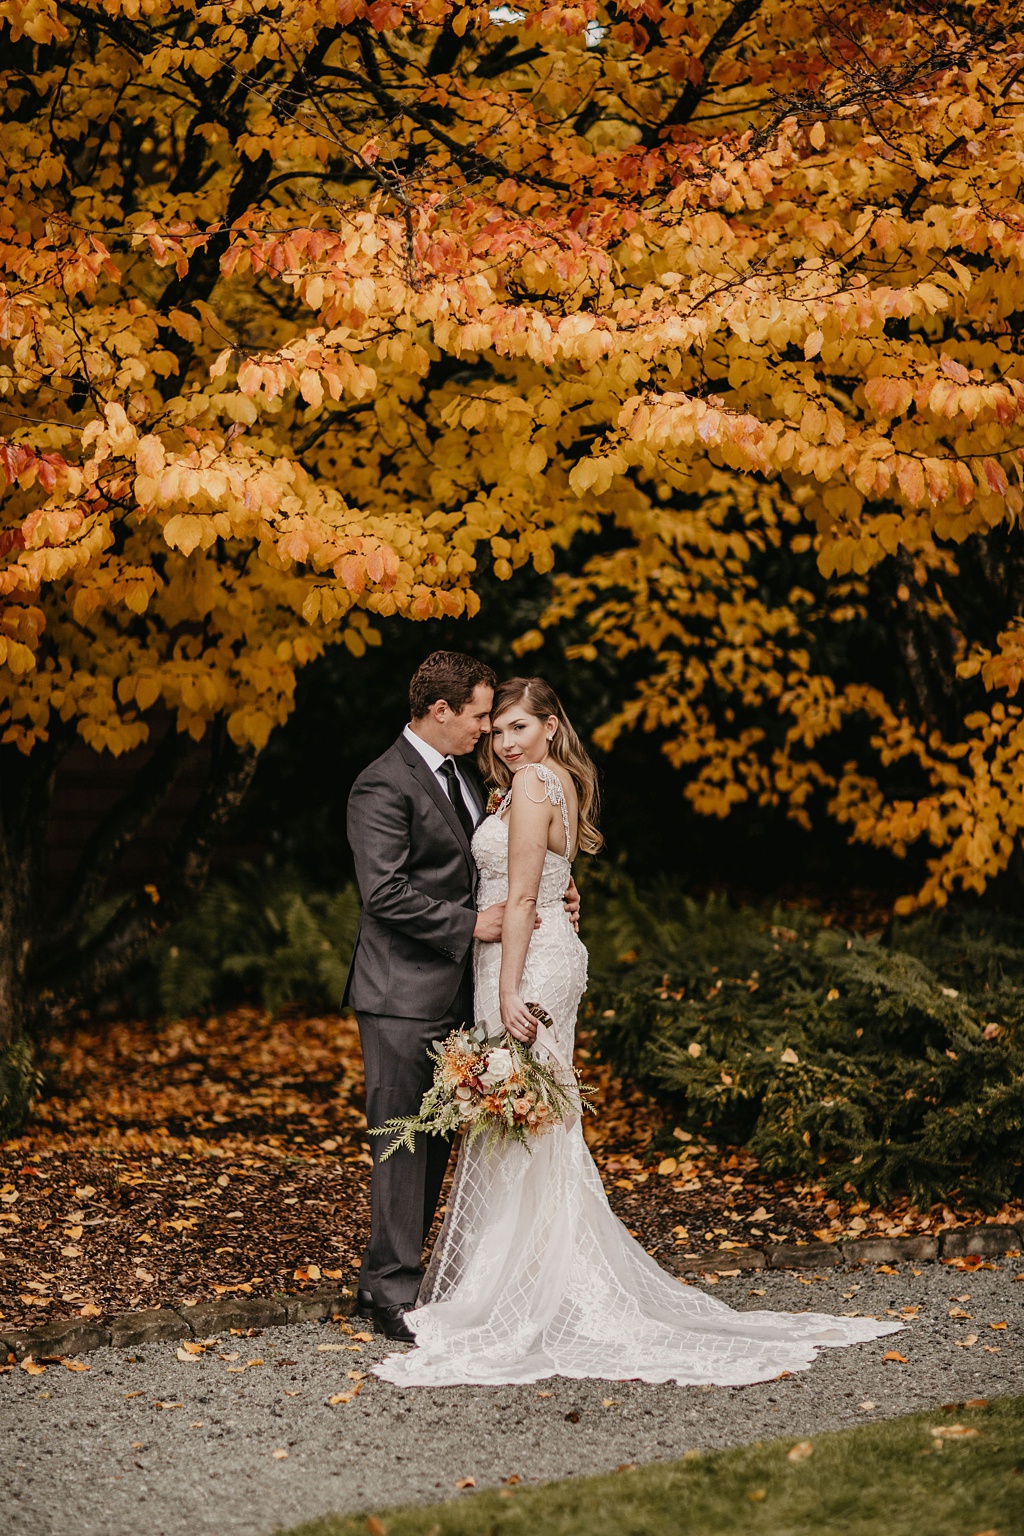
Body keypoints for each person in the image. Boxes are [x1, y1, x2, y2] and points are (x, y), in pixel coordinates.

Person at [375, 677, 903, 1387]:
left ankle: (526, 1296)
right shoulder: (540, 783)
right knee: (531, 1125)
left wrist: (506, 988)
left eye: (518, 728)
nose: (504, 742)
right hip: (528, 949)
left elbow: (525, 893)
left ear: (551, 726)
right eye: (496, 730)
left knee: (527, 1125)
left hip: (521, 963)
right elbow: (536, 875)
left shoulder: (532, 784)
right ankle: (525, 1284)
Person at [344, 652, 578, 1340]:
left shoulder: (472, 779)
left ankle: (392, 1278)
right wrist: (473, 924)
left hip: (463, 988)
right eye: (479, 716)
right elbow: (383, 890)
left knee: (441, 1139)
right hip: (400, 993)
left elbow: (500, 860)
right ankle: (389, 1294)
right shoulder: (381, 784)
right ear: (440, 711)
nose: (487, 731)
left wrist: (559, 888)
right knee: (399, 1141)